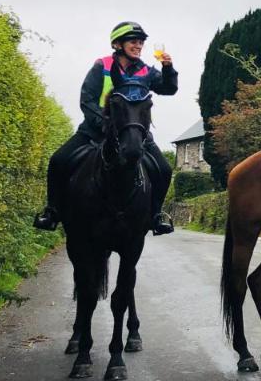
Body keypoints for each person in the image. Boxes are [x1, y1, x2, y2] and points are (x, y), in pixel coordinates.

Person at [33, 21, 178, 235]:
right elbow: (87, 99)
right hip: (96, 130)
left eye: (140, 42)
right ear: (118, 44)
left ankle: (155, 216)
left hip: (135, 132)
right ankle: (52, 212)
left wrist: (168, 68)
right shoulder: (102, 65)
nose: (138, 46)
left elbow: (169, 89)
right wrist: (104, 124)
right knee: (58, 161)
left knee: (164, 169)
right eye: (133, 41)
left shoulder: (147, 71)